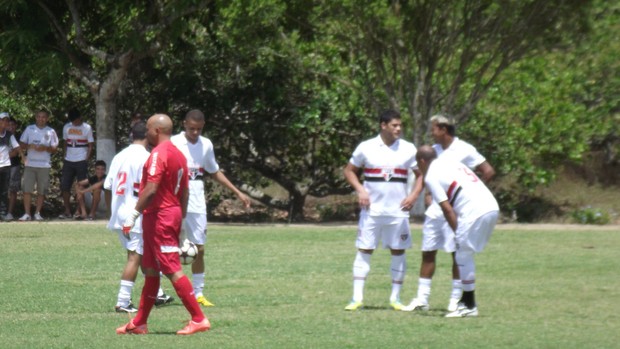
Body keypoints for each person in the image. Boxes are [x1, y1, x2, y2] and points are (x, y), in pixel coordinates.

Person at [116, 114, 210, 335]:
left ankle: (198, 318)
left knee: (170, 268)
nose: (146, 132)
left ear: (157, 130)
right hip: (165, 215)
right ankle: (139, 323)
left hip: (161, 216)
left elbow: (151, 188)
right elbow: (184, 192)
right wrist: (183, 221)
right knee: (150, 269)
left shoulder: (159, 154)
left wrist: (132, 215)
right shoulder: (179, 154)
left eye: (148, 128)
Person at [404, 115, 495, 312]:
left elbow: (487, 171)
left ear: (444, 129)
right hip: (437, 209)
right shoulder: (433, 151)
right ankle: (422, 299)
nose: (431, 132)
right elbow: (427, 177)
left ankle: (456, 299)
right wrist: (426, 194)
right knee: (428, 251)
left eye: (434, 128)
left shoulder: (464, 149)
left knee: (458, 253)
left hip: (457, 209)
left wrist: (471, 195)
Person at [342, 109, 424, 311]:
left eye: (400, 125)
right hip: (371, 211)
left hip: (397, 212)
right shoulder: (366, 147)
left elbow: (421, 174)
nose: (399, 128)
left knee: (398, 251)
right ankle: (357, 298)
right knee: (365, 249)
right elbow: (349, 170)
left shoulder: (407, 148)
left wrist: (413, 196)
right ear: (383, 125)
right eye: (395, 125)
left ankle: (395, 299)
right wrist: (361, 190)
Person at [171, 109, 251, 307]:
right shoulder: (173, 143)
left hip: (197, 201)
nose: (195, 133)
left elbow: (214, 172)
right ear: (184, 124)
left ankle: (198, 293)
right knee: (167, 246)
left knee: (199, 248)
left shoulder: (206, 144)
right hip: (174, 200)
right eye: (191, 129)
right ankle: (158, 292)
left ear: (203, 126)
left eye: (198, 129)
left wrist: (237, 192)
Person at [104, 121, 174, 313]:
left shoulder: (119, 156)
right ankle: (123, 301)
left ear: (130, 135)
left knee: (144, 254)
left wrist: (112, 212)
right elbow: (150, 189)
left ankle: (157, 293)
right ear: (149, 136)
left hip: (119, 212)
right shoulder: (148, 157)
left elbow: (108, 187)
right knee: (135, 257)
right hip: (135, 213)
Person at [19, 110, 59, 221]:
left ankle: (37, 213)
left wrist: (45, 148)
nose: (41, 119)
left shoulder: (51, 131)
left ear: (47, 118)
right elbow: (21, 144)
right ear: (36, 117)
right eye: (39, 117)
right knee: (27, 189)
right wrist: (29, 146)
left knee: (42, 190)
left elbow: (55, 148)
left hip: (44, 165)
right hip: (30, 164)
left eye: (43, 117)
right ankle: (27, 213)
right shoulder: (29, 129)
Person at [59, 108, 94, 219]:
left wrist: (86, 158)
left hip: (81, 160)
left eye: (76, 120)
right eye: (73, 121)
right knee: (65, 186)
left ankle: (79, 210)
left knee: (81, 186)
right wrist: (65, 155)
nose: (75, 123)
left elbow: (90, 145)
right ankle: (67, 210)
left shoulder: (87, 128)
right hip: (69, 160)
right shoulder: (67, 127)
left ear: (80, 118)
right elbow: (65, 142)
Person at [0, 112, 21, 220]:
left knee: (6, 190)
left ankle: (4, 213)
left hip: (8, 166)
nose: (6, 123)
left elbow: (16, 150)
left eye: (7, 121)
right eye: (3, 120)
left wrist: (23, 157)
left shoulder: (11, 136)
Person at [5, 116, 23, 221]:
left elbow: (15, 153)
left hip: (14, 166)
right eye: (9, 125)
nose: (10, 127)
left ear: (16, 126)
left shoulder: (19, 137)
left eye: (13, 125)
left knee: (13, 189)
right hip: (2, 166)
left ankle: (10, 213)